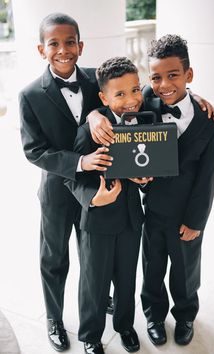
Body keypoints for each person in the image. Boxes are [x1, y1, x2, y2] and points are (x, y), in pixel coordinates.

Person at [18, 12, 113, 352]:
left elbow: (132, 97)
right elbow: (34, 150)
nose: (62, 49)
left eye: (69, 42)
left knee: (94, 256)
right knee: (54, 258)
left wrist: (193, 97)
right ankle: (54, 318)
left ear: (81, 46)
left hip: (96, 189)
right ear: (40, 49)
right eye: (53, 43)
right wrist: (79, 161)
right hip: (57, 191)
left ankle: (97, 307)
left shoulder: (95, 80)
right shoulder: (30, 94)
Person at [64, 56, 152, 354]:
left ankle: (125, 326)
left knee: (127, 277)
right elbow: (72, 178)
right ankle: (90, 335)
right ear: (103, 97)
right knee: (94, 282)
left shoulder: (144, 123)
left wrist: (143, 180)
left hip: (130, 218)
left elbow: (149, 165)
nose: (132, 100)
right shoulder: (89, 131)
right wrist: (94, 198)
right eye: (120, 94)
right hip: (98, 221)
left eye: (136, 90)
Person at [139, 34, 214, 347]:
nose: (164, 84)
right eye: (156, 77)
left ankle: (185, 314)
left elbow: (208, 177)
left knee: (186, 270)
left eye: (173, 75)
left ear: (189, 75)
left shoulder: (208, 121)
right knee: (152, 266)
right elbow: (110, 91)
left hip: (187, 212)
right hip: (152, 208)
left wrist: (196, 220)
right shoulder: (146, 99)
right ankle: (153, 315)